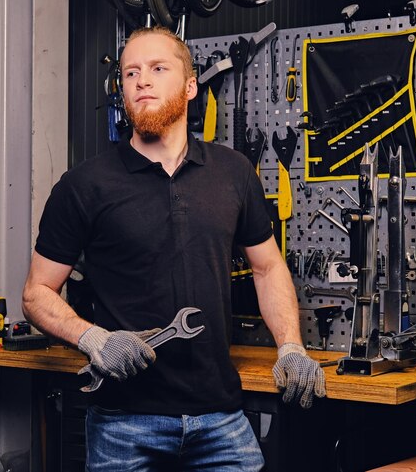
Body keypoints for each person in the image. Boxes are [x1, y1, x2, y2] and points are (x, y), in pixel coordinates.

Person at [22, 25, 325, 471]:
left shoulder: (233, 173)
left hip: (221, 418)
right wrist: (93, 338)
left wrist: (291, 347)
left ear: (189, 87)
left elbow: (267, 268)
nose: (140, 80)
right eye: (130, 73)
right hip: (123, 424)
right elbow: (36, 294)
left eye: (156, 68)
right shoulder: (84, 185)